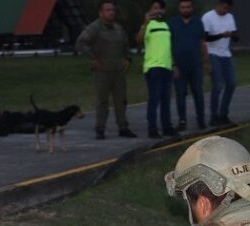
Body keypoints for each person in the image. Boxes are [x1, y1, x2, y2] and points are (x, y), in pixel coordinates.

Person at [75, 1, 137, 139]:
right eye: (108, 10)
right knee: (102, 101)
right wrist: (92, 58)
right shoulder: (94, 28)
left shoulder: (118, 28)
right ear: (101, 12)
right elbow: (80, 43)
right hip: (102, 71)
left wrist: (128, 59)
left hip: (118, 71)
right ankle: (100, 128)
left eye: (113, 10)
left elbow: (126, 45)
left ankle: (123, 127)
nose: (111, 12)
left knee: (121, 101)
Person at [137, 0, 175, 138]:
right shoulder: (148, 25)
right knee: (154, 99)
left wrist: (173, 64)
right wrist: (145, 23)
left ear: (163, 11)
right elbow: (139, 40)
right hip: (153, 67)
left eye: (159, 8)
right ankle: (152, 129)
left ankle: (167, 127)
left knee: (166, 99)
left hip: (166, 66)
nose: (157, 11)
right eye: (154, 8)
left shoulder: (166, 25)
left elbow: (168, 47)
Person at [169, 0, 208, 131]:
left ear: (192, 8)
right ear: (179, 9)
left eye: (188, 7)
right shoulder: (172, 23)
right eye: (183, 7)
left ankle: (201, 120)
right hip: (179, 66)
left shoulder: (198, 22)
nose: (185, 9)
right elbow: (168, 45)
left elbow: (203, 42)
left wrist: (205, 61)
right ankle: (182, 121)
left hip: (196, 65)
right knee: (180, 94)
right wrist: (173, 65)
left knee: (198, 93)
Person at [201, 0, 238, 126]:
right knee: (217, 86)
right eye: (224, 8)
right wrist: (222, 35)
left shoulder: (230, 17)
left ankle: (223, 114)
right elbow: (205, 38)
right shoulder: (208, 17)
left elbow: (236, 37)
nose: (225, 10)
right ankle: (214, 116)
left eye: (228, 9)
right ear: (218, 5)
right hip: (213, 53)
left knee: (232, 83)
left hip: (226, 54)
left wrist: (233, 35)